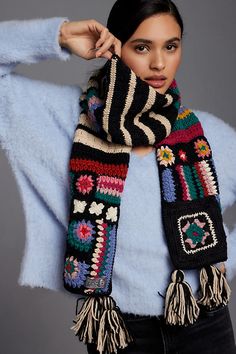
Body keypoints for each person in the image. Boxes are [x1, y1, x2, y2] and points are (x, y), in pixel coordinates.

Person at [0, 0, 236, 353]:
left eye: (170, 46)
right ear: (115, 48)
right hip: (118, 332)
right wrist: (61, 36)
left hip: (206, 324)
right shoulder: (62, 121)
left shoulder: (206, 134)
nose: (159, 64)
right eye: (142, 47)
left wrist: (224, 260)